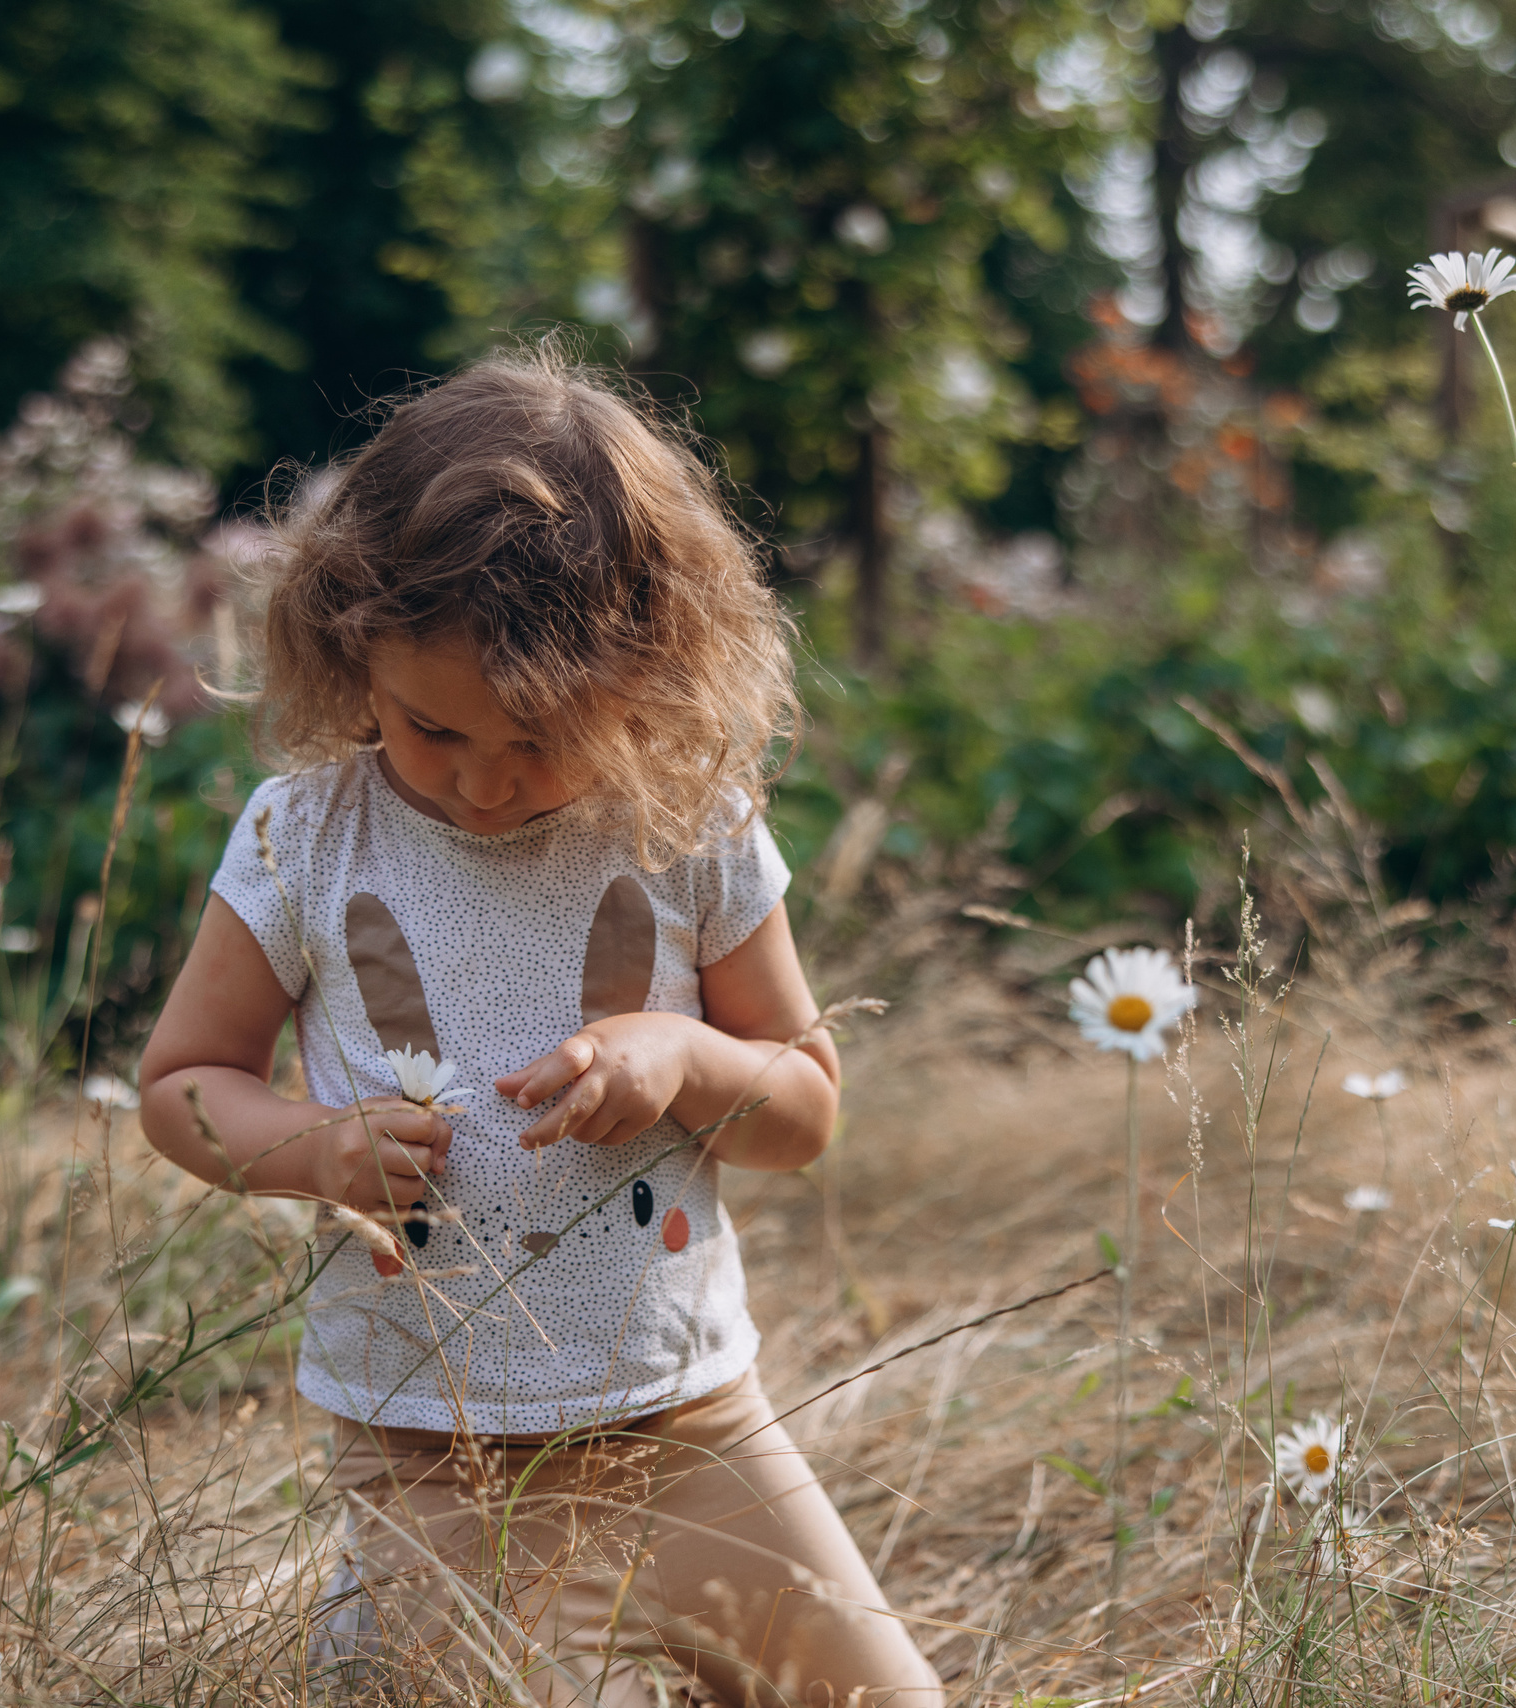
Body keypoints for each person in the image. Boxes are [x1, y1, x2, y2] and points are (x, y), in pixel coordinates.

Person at [137, 348, 942, 1706]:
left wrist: (686, 1058)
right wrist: (313, 1148)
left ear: (650, 679)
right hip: (428, 1447)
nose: (485, 784)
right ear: (351, 644)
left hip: (691, 1426)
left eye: (541, 740)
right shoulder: (305, 837)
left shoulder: (688, 825)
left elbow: (804, 1109)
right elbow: (184, 1081)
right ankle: (376, 1637)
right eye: (433, 729)